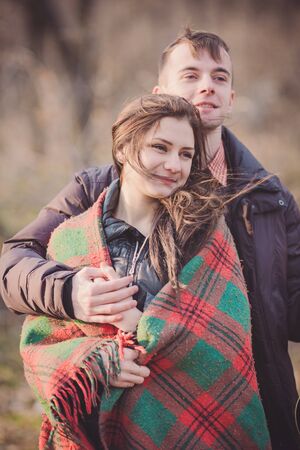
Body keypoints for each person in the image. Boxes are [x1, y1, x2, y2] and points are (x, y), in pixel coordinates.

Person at [0, 28, 300, 448]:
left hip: (247, 407)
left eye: (220, 77)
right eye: (191, 75)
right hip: (119, 413)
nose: (207, 86)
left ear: (232, 98)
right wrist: (71, 293)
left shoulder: (271, 198)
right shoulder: (96, 191)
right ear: (161, 92)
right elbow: (13, 262)